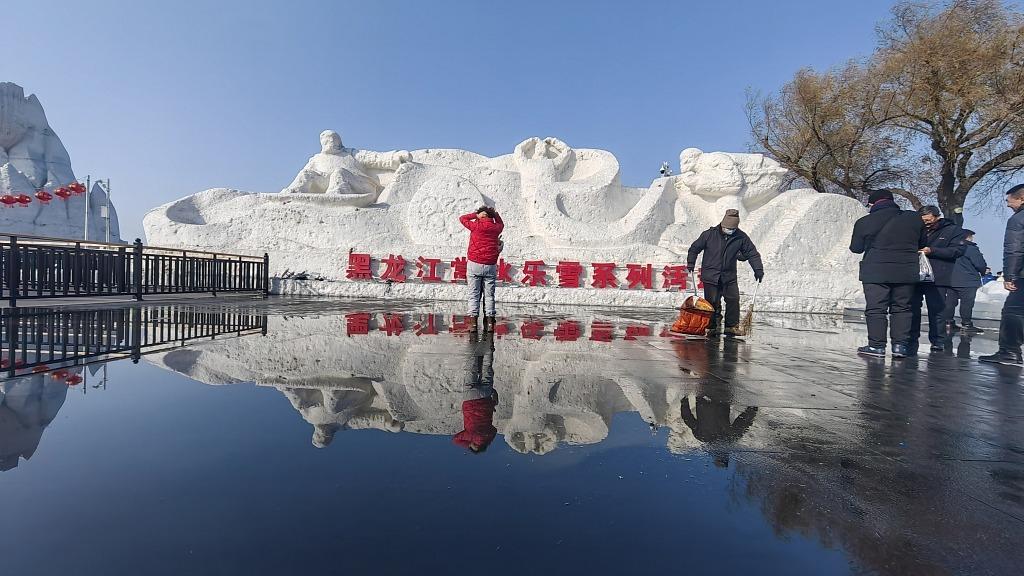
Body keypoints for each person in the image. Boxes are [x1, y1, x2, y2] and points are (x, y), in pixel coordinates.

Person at [849, 189, 927, 358]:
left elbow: (856, 248)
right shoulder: (914, 219)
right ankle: (900, 346)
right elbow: (922, 243)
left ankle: (877, 346)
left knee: (877, 309)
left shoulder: (865, 222)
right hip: (906, 271)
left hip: (876, 272)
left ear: (872, 203)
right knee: (903, 308)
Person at [686, 209, 763, 337]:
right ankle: (711, 326)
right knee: (711, 303)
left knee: (733, 300)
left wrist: (758, 269)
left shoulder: (741, 237)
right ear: (722, 224)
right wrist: (691, 263)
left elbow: (752, 253)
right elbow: (694, 248)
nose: (730, 230)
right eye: (728, 228)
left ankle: (731, 327)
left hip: (729, 276)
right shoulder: (709, 235)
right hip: (711, 276)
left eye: (732, 228)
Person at [910, 206, 967, 354]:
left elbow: (958, 250)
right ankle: (911, 338)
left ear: (937, 216)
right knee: (912, 307)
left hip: (938, 276)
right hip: (915, 274)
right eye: (923, 221)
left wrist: (933, 251)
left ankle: (938, 340)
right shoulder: (916, 228)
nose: (926, 224)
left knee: (937, 310)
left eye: (929, 220)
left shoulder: (952, 230)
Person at [980, 184, 1024, 366]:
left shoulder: (1019, 219)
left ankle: (1009, 352)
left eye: (1009, 200)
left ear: (1021, 199)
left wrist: (1010, 275)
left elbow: (1015, 249)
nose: (1007, 205)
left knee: (1013, 312)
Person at [459, 206, 504, 332]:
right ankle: (490, 322)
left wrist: (475, 215)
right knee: (489, 295)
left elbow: (462, 218)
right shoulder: (496, 228)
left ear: (481, 216)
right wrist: (495, 214)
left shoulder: (475, 226)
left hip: (474, 264)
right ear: (491, 216)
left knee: (473, 294)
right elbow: (501, 223)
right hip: (490, 265)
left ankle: (473, 323)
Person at [453, 333, 499, 453]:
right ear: (474, 445)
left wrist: (487, 441)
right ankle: (473, 343)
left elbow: (494, 430)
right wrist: (468, 444)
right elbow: (456, 440)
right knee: (471, 369)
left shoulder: (489, 435)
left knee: (487, 368)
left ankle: (488, 345)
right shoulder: (471, 436)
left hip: (486, 397)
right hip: (470, 398)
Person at [949, 229, 987, 334]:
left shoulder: (950, 247)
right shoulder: (970, 249)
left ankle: (948, 322)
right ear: (966, 237)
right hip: (968, 281)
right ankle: (966, 324)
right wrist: (983, 271)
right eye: (971, 236)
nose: (972, 238)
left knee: (950, 302)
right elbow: (979, 264)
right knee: (967, 303)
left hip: (951, 280)